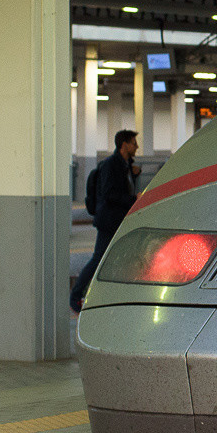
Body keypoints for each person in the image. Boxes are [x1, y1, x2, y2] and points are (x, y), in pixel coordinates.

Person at [71, 129, 142, 313]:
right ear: (124, 144)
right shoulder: (111, 165)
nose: (137, 147)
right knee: (98, 258)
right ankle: (76, 296)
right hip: (110, 221)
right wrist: (134, 199)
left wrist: (133, 174)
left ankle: (111, 295)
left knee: (119, 258)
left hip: (119, 220)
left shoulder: (126, 165)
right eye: (134, 143)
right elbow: (110, 194)